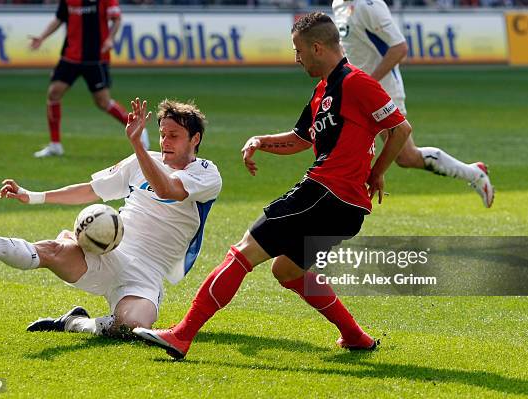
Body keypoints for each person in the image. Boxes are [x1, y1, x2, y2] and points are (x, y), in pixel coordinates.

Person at [133, 12, 412, 359]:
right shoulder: (322, 91)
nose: (296, 59)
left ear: (318, 47)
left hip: (325, 193)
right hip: (347, 207)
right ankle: (355, 336)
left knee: (242, 251)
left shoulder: (356, 82)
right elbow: (300, 139)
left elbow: (401, 130)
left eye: (298, 51)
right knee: (287, 269)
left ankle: (182, 334)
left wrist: (375, 172)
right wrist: (261, 141)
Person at [0, 98, 222, 336]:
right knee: (53, 251)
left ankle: (73, 322)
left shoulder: (206, 174)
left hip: (147, 274)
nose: (165, 141)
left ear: (195, 139)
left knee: (132, 326)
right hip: (109, 250)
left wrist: (137, 146)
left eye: (174, 135)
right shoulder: (140, 162)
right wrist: (33, 196)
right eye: (162, 134)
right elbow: (90, 190)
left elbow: (168, 189)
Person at [332, 0, 494, 207]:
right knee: (347, 144)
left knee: (406, 156)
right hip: (359, 92)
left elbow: (399, 48)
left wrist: (368, 83)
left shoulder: (369, 5)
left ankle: (474, 173)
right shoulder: (338, 3)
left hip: (382, 90)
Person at [30, 0, 148, 158]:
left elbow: (117, 19)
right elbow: (59, 18)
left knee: (103, 102)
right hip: (70, 56)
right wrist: (42, 37)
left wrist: (110, 38)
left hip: (96, 58)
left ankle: (138, 126)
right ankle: (55, 145)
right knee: (54, 93)